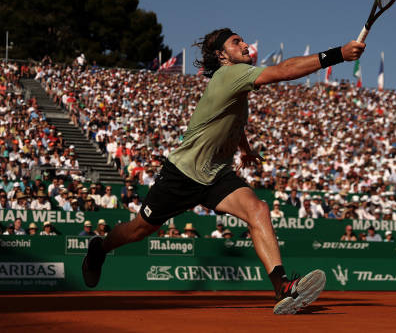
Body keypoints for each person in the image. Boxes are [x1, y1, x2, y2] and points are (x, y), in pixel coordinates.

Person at [82, 28, 364, 314]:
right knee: (139, 230)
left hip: (216, 174)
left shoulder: (236, 80)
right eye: (236, 42)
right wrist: (338, 54)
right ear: (221, 55)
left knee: (258, 210)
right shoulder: (230, 74)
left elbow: (230, 119)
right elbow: (284, 70)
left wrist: (245, 148)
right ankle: (99, 249)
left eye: (242, 40)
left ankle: (282, 287)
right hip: (183, 174)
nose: (244, 45)